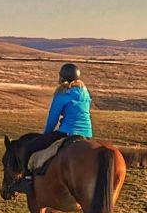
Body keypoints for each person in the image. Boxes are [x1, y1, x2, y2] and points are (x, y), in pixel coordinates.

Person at [14, 63, 94, 196]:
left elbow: (53, 118)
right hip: (87, 134)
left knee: (29, 148)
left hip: (68, 132)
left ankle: (27, 180)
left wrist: (46, 135)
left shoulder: (63, 93)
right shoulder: (84, 92)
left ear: (62, 78)